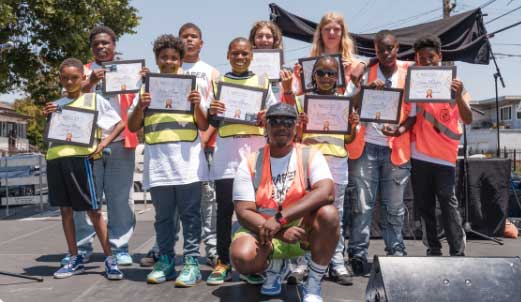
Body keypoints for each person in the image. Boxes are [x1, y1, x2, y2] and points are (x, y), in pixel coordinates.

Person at [230, 102, 338, 302]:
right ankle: (274, 267)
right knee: (241, 256)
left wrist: (281, 219)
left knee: (329, 214)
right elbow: (243, 211)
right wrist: (279, 230)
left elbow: (327, 192)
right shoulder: (250, 161)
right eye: (276, 121)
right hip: (264, 230)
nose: (282, 127)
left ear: (296, 127)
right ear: (266, 126)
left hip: (300, 231)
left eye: (288, 122)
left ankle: (313, 285)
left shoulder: (310, 155)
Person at [127, 34, 208, 287]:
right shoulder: (145, 88)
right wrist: (141, 106)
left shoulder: (192, 87)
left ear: (181, 60)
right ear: (157, 59)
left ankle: (192, 263)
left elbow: (205, 124)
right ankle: (166, 261)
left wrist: (196, 105)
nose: (169, 61)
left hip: (188, 165)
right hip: (159, 164)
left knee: (191, 216)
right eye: (164, 57)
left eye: (174, 57)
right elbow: (132, 125)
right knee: (162, 217)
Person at [61, 25, 137, 267]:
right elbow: (68, 100)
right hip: (87, 145)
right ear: (91, 48)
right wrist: (89, 83)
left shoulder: (129, 70)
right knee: (85, 198)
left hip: (119, 141)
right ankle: (83, 247)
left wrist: (142, 78)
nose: (101, 47)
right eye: (97, 44)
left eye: (106, 43)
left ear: (114, 45)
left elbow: (140, 103)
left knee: (119, 197)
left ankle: (120, 246)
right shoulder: (81, 71)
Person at [206, 37, 278, 285]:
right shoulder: (218, 82)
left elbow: (274, 116)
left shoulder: (262, 82)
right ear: (228, 55)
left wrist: (265, 117)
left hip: (255, 152)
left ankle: (256, 263)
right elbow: (211, 121)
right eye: (235, 53)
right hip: (227, 153)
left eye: (244, 54)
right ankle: (223, 262)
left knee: (256, 212)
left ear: (251, 56)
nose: (239, 57)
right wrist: (212, 112)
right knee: (225, 210)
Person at [44, 58, 124, 280]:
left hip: (82, 160)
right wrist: (47, 116)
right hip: (56, 159)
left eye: (74, 77)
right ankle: (74, 257)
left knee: (94, 211)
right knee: (65, 211)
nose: (69, 81)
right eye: (65, 78)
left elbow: (119, 124)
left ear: (83, 78)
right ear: (60, 79)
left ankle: (110, 259)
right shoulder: (56, 103)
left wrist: (103, 144)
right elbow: (50, 134)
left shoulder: (93, 100)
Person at [283, 56, 358, 285]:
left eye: (331, 73)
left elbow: (349, 139)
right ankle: (304, 263)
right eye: (321, 73)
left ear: (338, 77)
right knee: (306, 215)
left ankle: (336, 263)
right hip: (309, 161)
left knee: (336, 216)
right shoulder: (301, 101)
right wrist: (300, 126)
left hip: (336, 161)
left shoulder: (345, 101)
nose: (326, 77)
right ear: (312, 76)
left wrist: (352, 126)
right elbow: (294, 137)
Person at [346, 30, 416, 274]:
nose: (386, 53)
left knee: (394, 206)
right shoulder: (364, 72)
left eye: (390, 48)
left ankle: (395, 250)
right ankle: (357, 252)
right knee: (362, 206)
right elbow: (349, 104)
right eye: (380, 50)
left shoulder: (409, 73)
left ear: (398, 48)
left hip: (395, 148)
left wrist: (399, 130)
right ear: (374, 51)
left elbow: (413, 115)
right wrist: (365, 90)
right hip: (365, 147)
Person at [410, 35, 471, 256]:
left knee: (448, 202)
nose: (426, 61)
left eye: (431, 57)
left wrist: (459, 96)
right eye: (421, 58)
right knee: (425, 205)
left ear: (440, 57)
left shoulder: (457, 85)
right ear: (416, 60)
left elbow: (468, 118)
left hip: (445, 157)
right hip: (419, 155)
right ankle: (433, 248)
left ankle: (457, 249)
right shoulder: (414, 83)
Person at [292, 12, 365, 96]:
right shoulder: (307, 66)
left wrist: (345, 77)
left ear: (342, 33)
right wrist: (300, 81)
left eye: (336, 29)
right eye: (327, 29)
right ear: (321, 33)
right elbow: (300, 101)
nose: (331, 32)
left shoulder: (355, 65)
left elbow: (358, 100)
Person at [248, 20, 292, 100]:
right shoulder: (246, 68)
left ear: (275, 40)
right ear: (253, 39)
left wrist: (288, 88)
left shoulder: (286, 73)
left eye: (268, 36)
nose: (264, 40)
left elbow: (292, 104)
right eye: (260, 36)